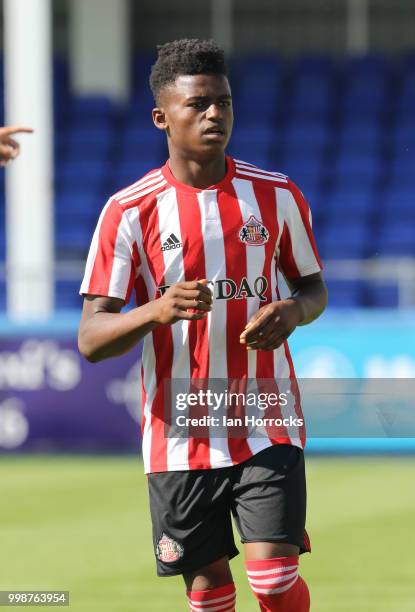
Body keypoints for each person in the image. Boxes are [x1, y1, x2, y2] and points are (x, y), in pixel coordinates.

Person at [78, 39, 328, 612]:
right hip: (179, 430)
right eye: (198, 104)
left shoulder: (276, 195)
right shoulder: (128, 211)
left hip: (266, 413)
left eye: (224, 102)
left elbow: (313, 288)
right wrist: (155, 309)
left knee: (272, 579)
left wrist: (292, 311)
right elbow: (91, 339)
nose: (215, 113)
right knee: (209, 589)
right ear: (161, 117)